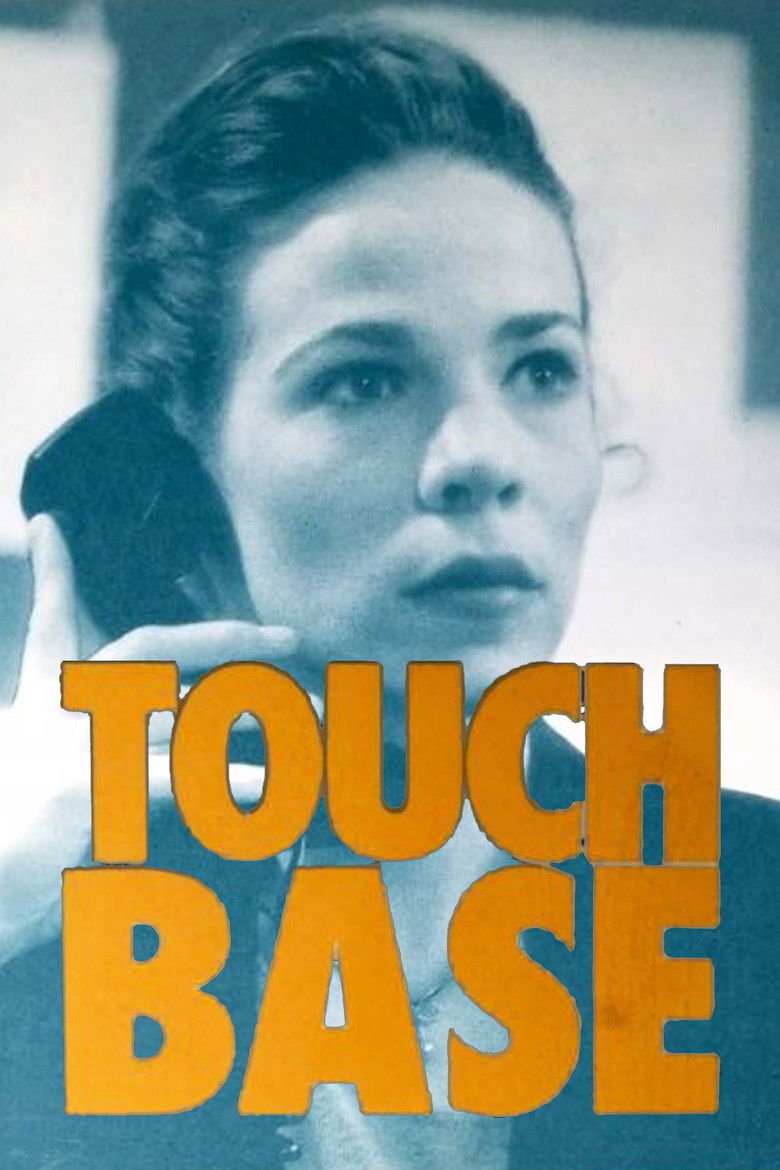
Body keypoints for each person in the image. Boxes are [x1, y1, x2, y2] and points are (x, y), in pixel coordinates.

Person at [0, 15, 778, 1170]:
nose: (482, 457)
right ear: (180, 478)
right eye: (363, 380)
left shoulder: (756, 918)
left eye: (540, 369)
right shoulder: (49, 939)